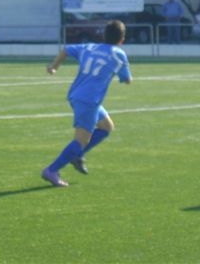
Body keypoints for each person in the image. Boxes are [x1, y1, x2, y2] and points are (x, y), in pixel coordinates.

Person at [41, 20, 132, 187]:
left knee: (106, 127)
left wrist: (54, 66)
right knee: (81, 140)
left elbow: (66, 50)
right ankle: (52, 170)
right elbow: (126, 79)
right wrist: (124, 75)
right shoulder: (118, 54)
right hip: (89, 101)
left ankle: (77, 154)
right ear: (121, 40)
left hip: (76, 95)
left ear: (103, 35)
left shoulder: (89, 47)